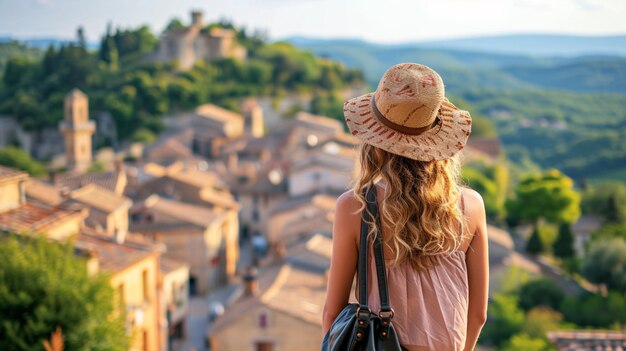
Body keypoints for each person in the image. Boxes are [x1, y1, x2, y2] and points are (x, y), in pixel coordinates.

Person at [322, 63, 489, 351]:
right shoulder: (470, 205)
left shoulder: (355, 208)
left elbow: (332, 315)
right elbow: (478, 315)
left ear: (373, 141)